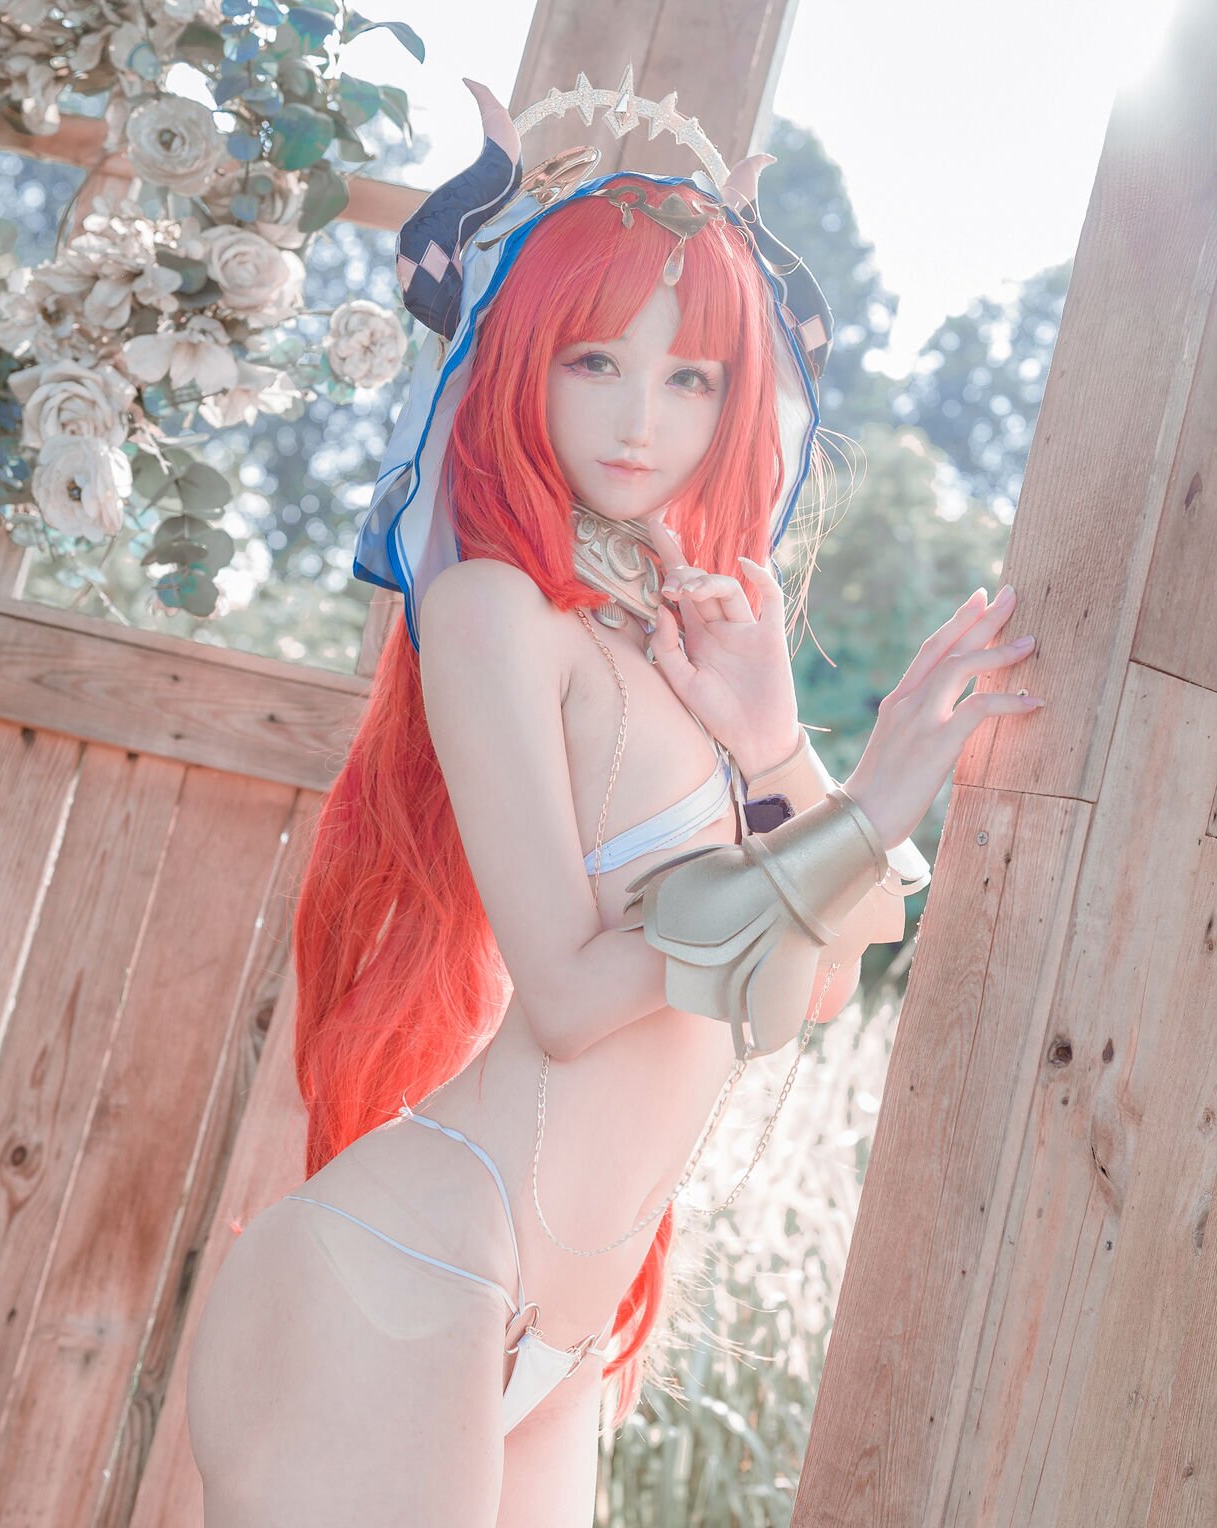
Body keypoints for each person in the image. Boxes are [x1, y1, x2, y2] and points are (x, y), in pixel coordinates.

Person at [184, 76, 1041, 1526]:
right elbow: (576, 1000)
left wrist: (776, 744)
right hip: (408, 1265)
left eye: (692, 376)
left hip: (558, 1327)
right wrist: (868, 811)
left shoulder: (678, 639)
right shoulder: (491, 613)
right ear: (523, 359)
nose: (645, 418)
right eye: (595, 360)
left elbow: (829, 973)